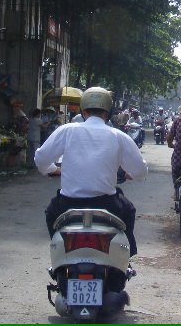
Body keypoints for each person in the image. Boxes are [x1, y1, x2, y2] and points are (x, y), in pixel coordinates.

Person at [35, 87, 147, 256]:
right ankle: (126, 256)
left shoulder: (67, 131)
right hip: (107, 205)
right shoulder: (118, 136)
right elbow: (140, 170)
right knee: (129, 210)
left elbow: (41, 159)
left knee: (51, 213)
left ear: (83, 111)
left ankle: (59, 254)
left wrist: (53, 169)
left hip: (68, 204)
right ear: (107, 112)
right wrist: (131, 174)